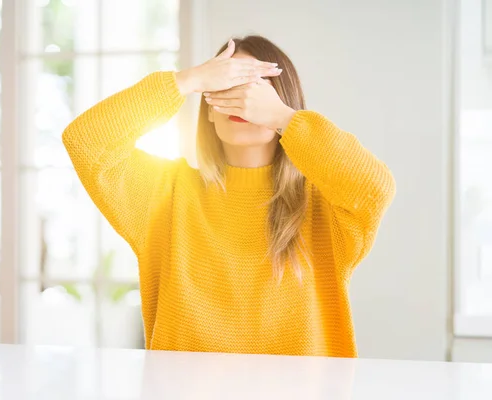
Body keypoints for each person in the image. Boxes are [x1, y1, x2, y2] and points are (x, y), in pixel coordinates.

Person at [63, 35, 396, 357]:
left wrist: (284, 118)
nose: (243, 99)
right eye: (227, 83)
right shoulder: (164, 193)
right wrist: (185, 81)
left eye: (257, 86)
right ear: (209, 109)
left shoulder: (323, 204)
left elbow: (375, 187)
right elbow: (86, 140)